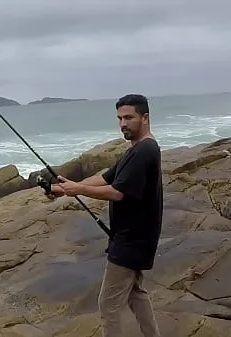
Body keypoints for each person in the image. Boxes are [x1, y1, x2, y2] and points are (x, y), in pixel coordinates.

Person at [46, 94, 162, 337]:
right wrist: (65, 189)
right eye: (119, 118)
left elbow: (118, 193)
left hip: (132, 240)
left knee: (108, 305)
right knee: (135, 294)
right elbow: (105, 179)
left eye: (129, 117)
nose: (122, 124)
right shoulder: (135, 150)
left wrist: (77, 190)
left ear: (145, 117)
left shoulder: (145, 151)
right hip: (134, 238)